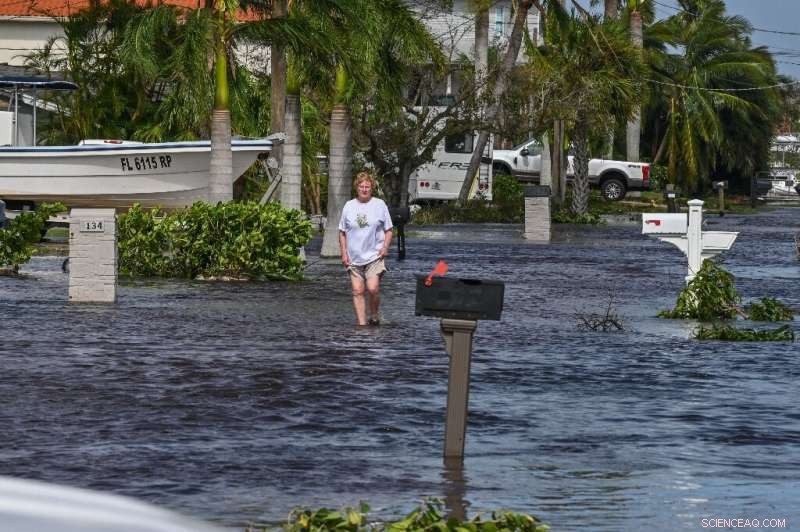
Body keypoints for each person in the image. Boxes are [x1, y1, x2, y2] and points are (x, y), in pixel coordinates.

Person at [338, 172, 393, 326]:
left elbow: (389, 229)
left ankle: (374, 315)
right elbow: (342, 232)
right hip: (354, 257)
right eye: (361, 186)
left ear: (371, 188)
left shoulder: (379, 204)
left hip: (374, 256)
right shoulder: (349, 206)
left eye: (367, 187)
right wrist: (343, 253)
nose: (364, 189)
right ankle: (362, 325)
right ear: (357, 187)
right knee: (357, 291)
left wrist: (385, 247)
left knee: (373, 288)